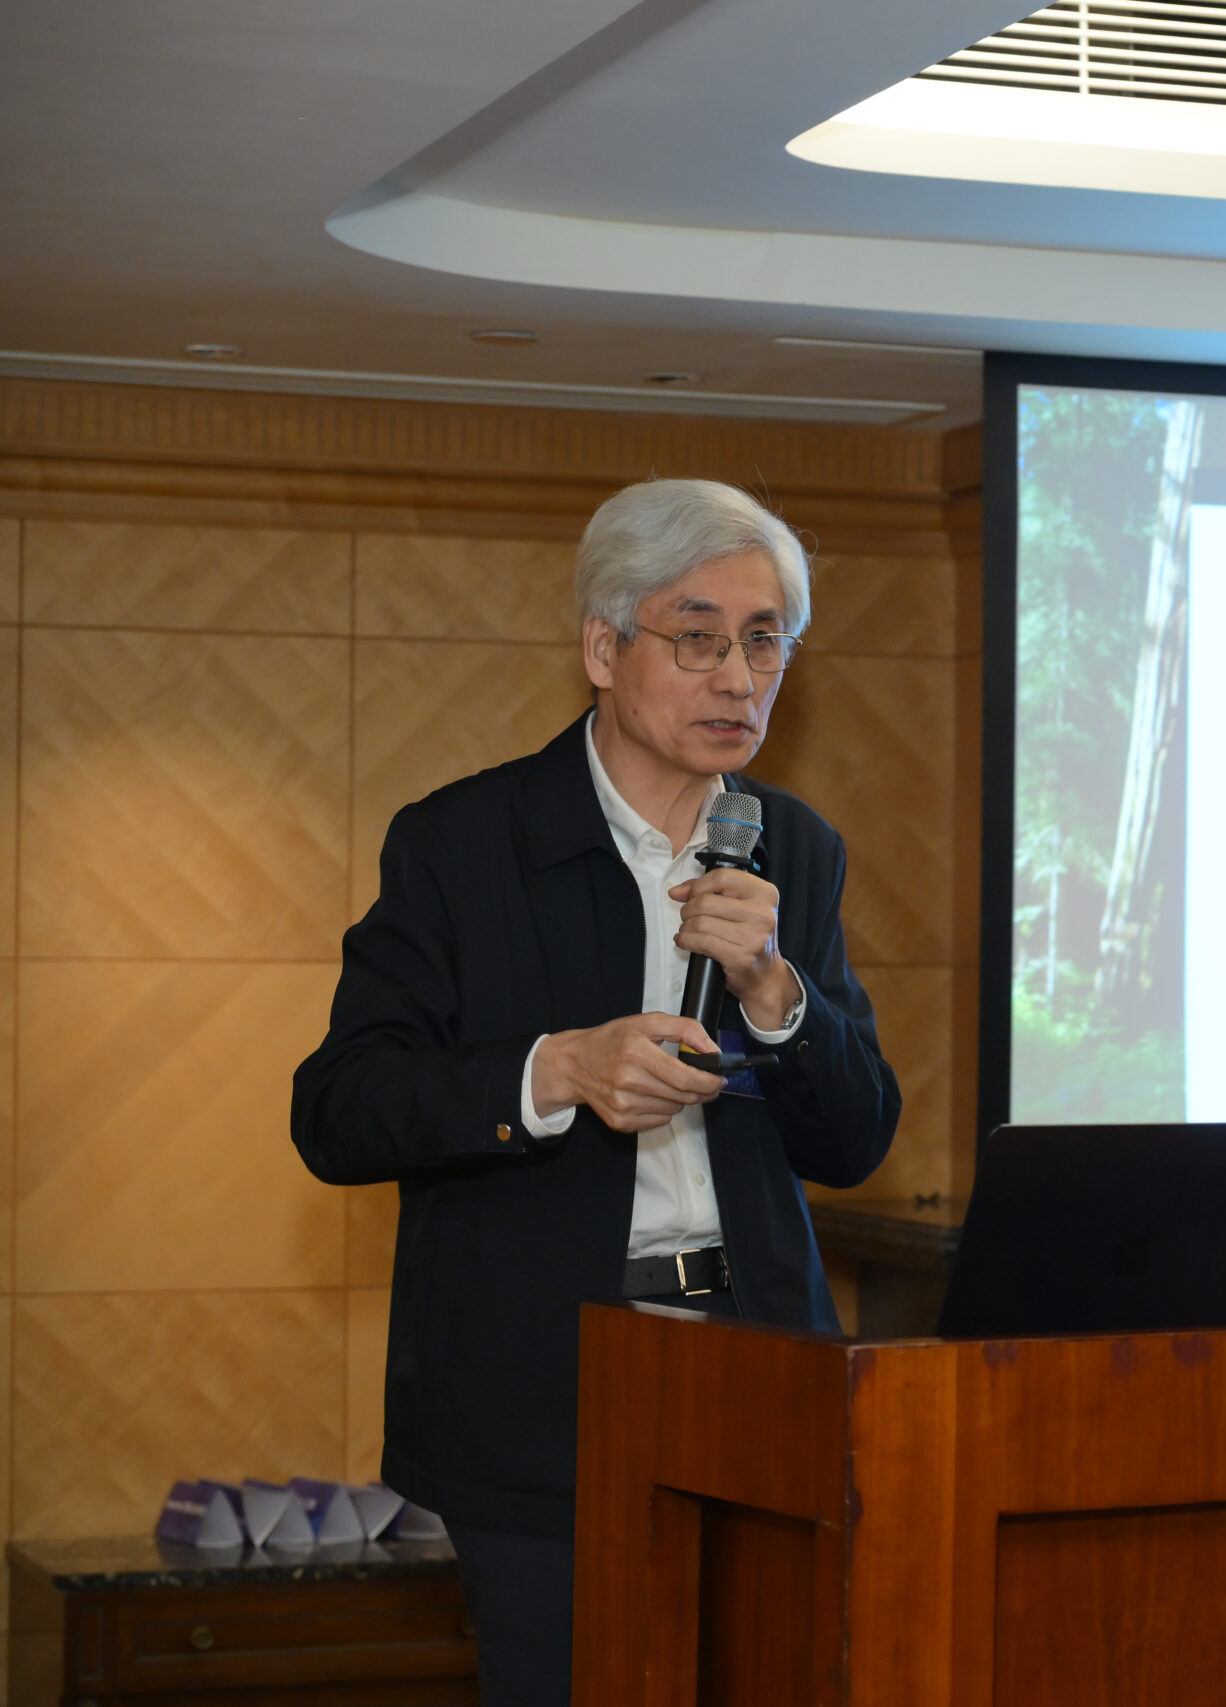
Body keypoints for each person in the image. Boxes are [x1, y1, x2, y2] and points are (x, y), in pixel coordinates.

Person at [291, 478, 901, 1707]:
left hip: (755, 1371)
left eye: (765, 641)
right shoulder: (463, 842)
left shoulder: (795, 847)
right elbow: (340, 1107)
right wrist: (555, 1070)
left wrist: (776, 992)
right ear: (603, 649)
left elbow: (854, 1139)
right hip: (542, 1386)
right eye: (698, 637)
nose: (739, 678)